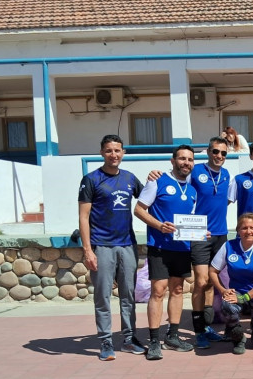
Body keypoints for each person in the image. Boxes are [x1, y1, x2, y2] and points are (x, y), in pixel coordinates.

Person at [78, 134, 145, 361]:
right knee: (103, 297)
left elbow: (148, 200)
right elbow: (83, 217)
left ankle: (128, 339)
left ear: (123, 153)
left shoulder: (129, 178)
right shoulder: (91, 180)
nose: (113, 155)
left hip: (127, 245)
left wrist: (156, 179)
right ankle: (106, 341)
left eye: (117, 150)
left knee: (128, 296)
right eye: (109, 151)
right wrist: (88, 250)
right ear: (101, 153)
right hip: (102, 246)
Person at [134, 145, 199, 360]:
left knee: (178, 290)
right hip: (159, 247)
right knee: (158, 291)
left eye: (190, 159)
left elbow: (189, 222)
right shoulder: (157, 181)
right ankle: (154, 341)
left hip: (181, 248)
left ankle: (172, 336)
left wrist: (201, 232)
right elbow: (139, 209)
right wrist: (159, 225)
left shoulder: (191, 189)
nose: (186, 163)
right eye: (182, 158)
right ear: (173, 161)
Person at [188, 136, 234, 349]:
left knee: (210, 282)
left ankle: (206, 328)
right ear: (208, 152)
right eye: (215, 152)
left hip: (220, 234)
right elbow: (177, 183)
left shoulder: (226, 175)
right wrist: (156, 174)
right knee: (200, 280)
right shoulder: (195, 170)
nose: (219, 156)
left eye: (223, 153)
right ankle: (198, 330)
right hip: (199, 233)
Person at [209, 213, 253, 354]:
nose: (248, 231)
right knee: (227, 304)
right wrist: (222, 290)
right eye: (244, 228)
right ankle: (238, 338)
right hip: (238, 295)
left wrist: (245, 297)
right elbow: (212, 271)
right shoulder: (229, 246)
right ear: (238, 230)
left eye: (252, 228)